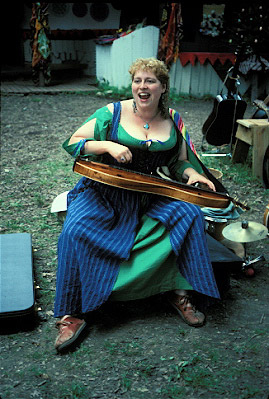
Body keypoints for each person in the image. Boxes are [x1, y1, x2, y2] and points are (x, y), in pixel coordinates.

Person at [54, 57, 220, 353]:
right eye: (138, 81)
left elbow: (179, 161)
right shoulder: (112, 113)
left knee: (190, 214)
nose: (142, 87)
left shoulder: (173, 118)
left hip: (151, 193)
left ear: (163, 87)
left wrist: (194, 175)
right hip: (105, 191)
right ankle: (72, 313)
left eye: (150, 81)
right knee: (74, 231)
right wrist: (108, 145)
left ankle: (179, 292)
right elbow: (73, 142)